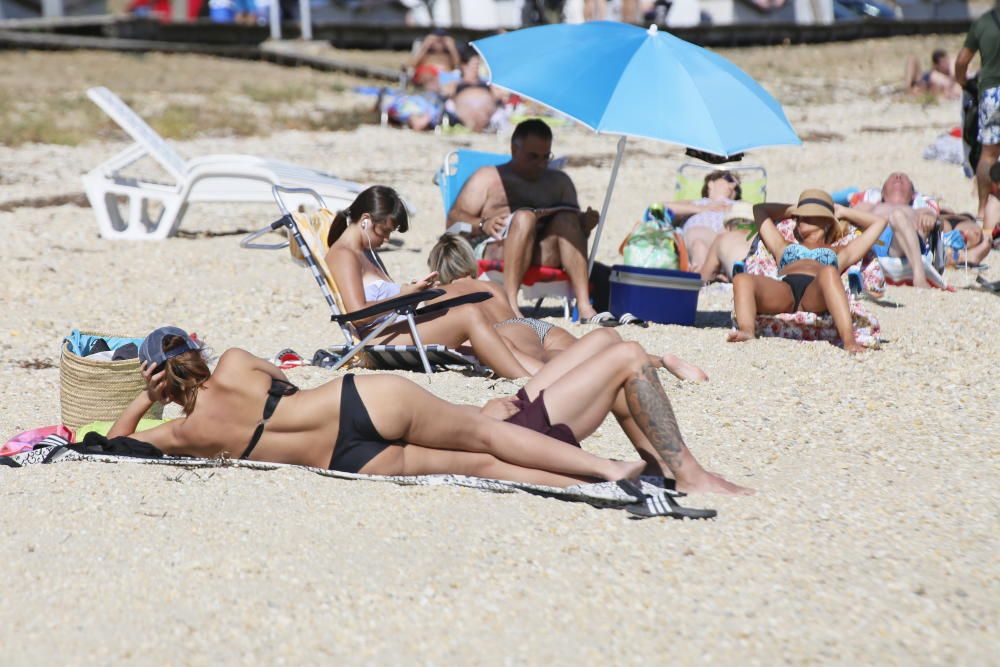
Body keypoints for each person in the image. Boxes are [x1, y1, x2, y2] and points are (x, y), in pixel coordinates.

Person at [479, 327, 752, 495]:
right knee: (629, 354)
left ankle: (663, 467)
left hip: (498, 416)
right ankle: (691, 476)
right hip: (512, 435)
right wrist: (484, 421)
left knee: (607, 337)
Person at [427, 234, 708, 381]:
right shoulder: (491, 286)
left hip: (506, 333)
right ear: (470, 262)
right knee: (591, 351)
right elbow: (515, 313)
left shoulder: (442, 292)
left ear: (438, 271)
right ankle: (660, 361)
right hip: (534, 326)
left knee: (552, 366)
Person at [323, 186, 536, 379]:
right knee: (469, 314)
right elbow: (359, 315)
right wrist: (406, 296)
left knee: (499, 342)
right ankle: (525, 382)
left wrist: (414, 291)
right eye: (385, 231)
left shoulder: (365, 253)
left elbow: (384, 302)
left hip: (393, 330)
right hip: (375, 340)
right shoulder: (344, 255)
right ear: (365, 219)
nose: (387, 239)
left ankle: (544, 378)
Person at [445, 119, 602, 321]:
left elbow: (574, 238)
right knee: (525, 217)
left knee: (568, 219)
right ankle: (510, 303)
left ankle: (584, 304)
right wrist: (484, 224)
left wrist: (585, 225)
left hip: (543, 251)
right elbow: (453, 220)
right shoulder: (488, 178)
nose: (540, 164)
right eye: (533, 156)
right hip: (495, 246)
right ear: (514, 149)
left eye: (546, 157)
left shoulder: (559, 181)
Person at [727, 190, 887, 354]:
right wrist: (792, 209)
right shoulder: (783, 245)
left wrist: (843, 211)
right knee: (742, 279)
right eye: (799, 216)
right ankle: (747, 331)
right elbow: (759, 210)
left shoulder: (840, 252)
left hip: (816, 292)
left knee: (828, 273)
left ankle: (849, 341)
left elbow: (880, 223)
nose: (800, 219)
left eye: (808, 215)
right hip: (785, 290)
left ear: (825, 221)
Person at [850, 172, 939, 288]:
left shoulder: (919, 210)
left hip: (904, 246)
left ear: (912, 195)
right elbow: (848, 222)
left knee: (897, 216)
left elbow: (935, 220)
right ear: (882, 193)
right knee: (896, 216)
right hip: (875, 244)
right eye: (892, 177)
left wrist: (930, 219)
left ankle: (919, 276)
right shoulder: (868, 206)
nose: (898, 177)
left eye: (904, 178)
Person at [956, 8, 1000, 222]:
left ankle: (983, 209)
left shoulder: (983, 22)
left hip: (991, 90)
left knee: (988, 154)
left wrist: (965, 83)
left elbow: (962, 62)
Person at [669, 170, 741, 272]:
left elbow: (759, 214)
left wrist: (738, 210)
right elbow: (661, 208)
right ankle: (706, 276)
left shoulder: (739, 204)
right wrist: (701, 208)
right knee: (699, 243)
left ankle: (704, 276)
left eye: (737, 187)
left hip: (729, 240)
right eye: (729, 179)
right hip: (700, 237)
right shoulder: (697, 202)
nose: (733, 186)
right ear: (711, 184)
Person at [697, 201, 757, 284]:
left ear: (728, 227)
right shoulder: (764, 235)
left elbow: (704, 277)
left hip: (745, 282)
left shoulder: (722, 238)